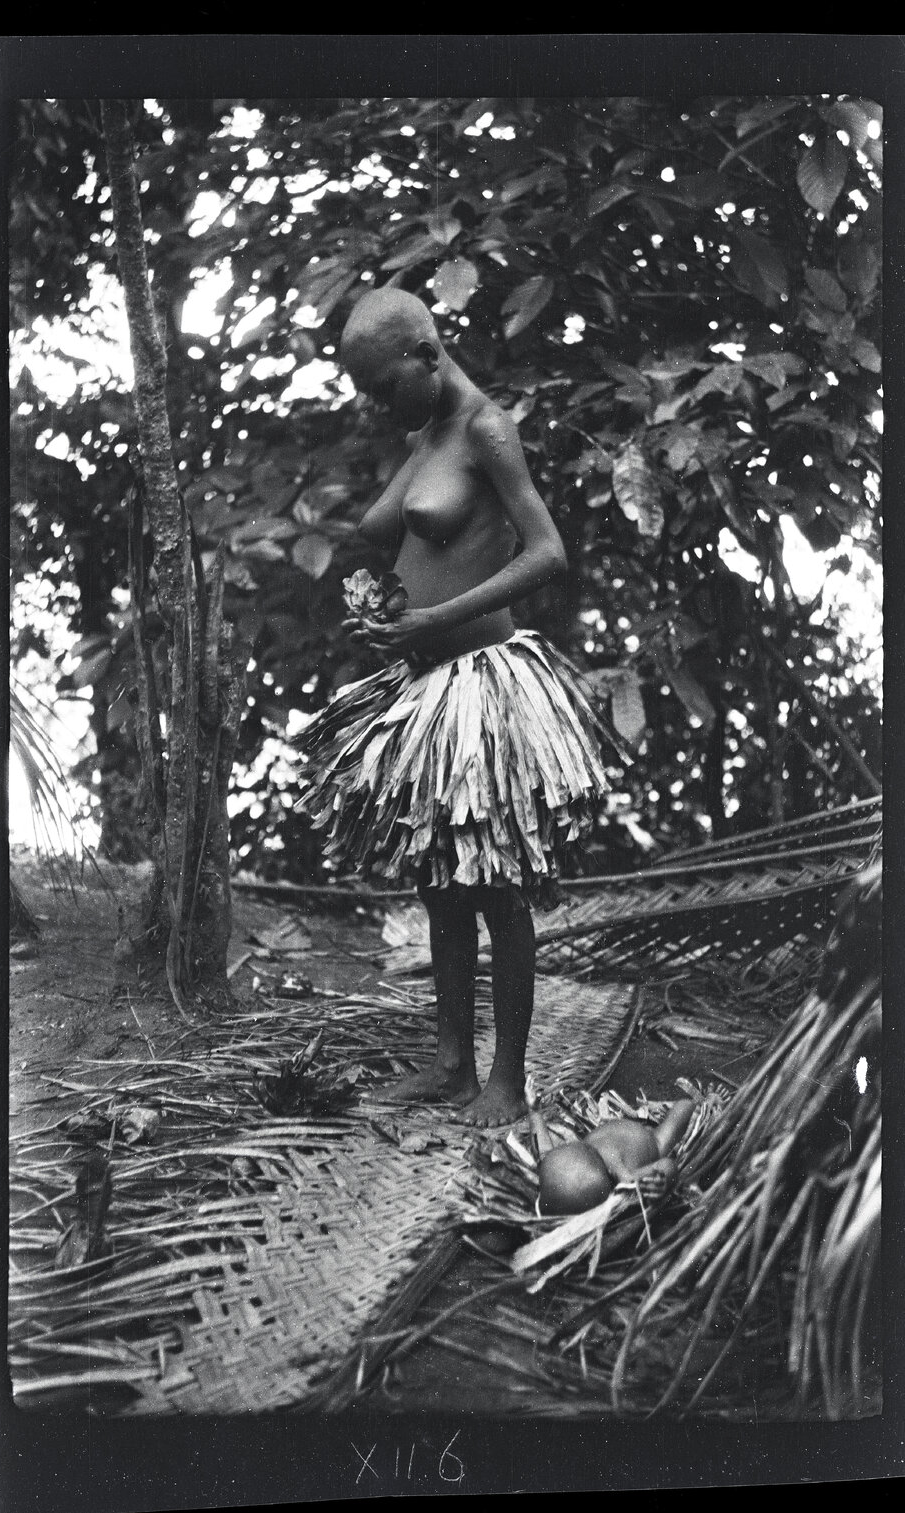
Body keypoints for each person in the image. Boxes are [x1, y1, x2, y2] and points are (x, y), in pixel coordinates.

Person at [297, 289, 611, 1127]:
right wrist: (383, 606)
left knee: (498, 888)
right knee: (442, 884)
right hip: (423, 692)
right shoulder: (427, 433)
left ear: (426, 355)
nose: (373, 404)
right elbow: (386, 529)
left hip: (484, 684)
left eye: (378, 385)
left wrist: (436, 615)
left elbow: (550, 552)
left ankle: (506, 1078)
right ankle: (450, 1063)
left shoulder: (485, 430)